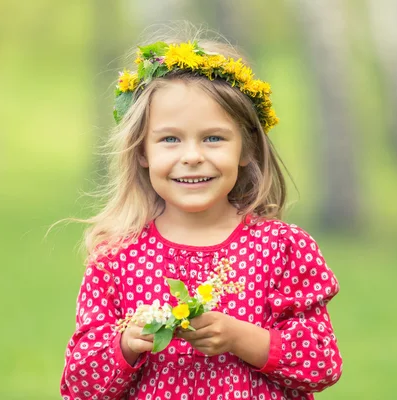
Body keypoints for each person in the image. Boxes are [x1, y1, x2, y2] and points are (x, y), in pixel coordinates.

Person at [60, 33, 342, 400]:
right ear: (141, 151)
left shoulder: (282, 248)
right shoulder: (116, 258)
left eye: (213, 138)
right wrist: (126, 344)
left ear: (246, 148)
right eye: (170, 140)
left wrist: (241, 338)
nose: (192, 156)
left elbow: (321, 365)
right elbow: (78, 386)